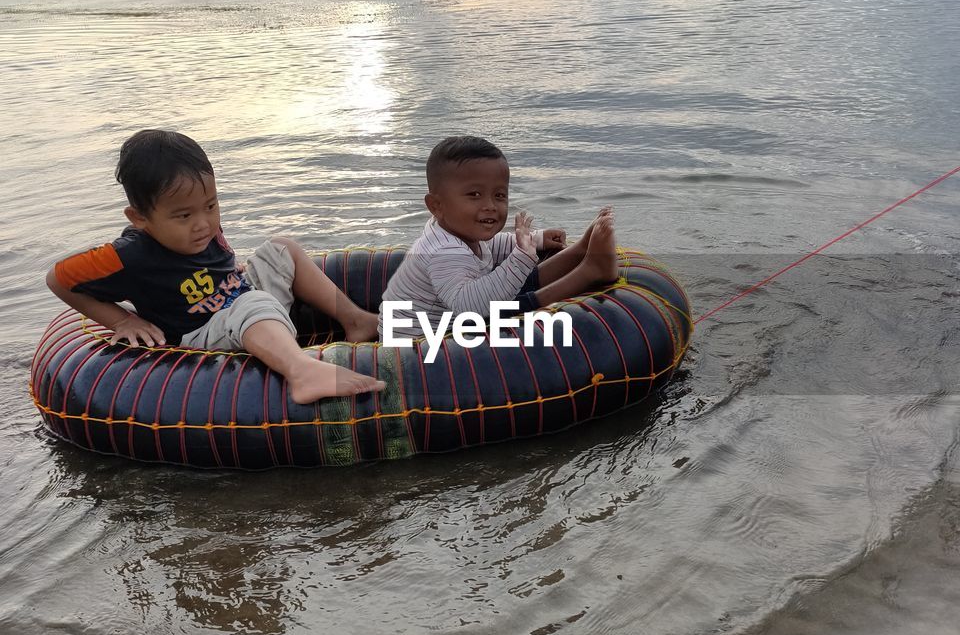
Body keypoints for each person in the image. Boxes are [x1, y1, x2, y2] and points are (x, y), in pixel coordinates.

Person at [46, 130, 384, 403]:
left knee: (281, 249)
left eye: (210, 205)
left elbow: (218, 259)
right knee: (253, 303)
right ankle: (301, 371)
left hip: (242, 303)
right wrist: (122, 319)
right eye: (184, 215)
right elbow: (58, 279)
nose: (203, 224)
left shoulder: (201, 226)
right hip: (201, 334)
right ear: (140, 218)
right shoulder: (127, 254)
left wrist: (233, 271)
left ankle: (355, 320)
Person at [378, 136, 618, 342]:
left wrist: (536, 240)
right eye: (474, 195)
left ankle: (578, 251)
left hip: (449, 321)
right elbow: (471, 307)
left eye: (499, 195)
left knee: (509, 281)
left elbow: (493, 245)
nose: (490, 206)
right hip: (420, 344)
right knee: (510, 302)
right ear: (437, 206)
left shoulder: (459, 231)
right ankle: (589, 271)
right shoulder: (443, 252)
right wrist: (522, 259)